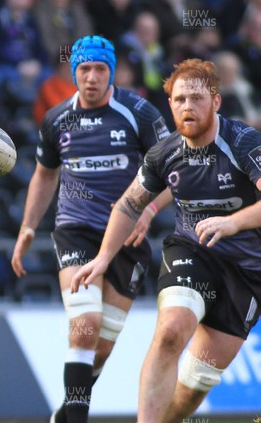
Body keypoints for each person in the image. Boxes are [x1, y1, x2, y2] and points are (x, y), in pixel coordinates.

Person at [71, 58, 261, 422]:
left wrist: (233, 223)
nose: (187, 106)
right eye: (179, 99)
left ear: (216, 102)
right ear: (170, 105)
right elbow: (128, 205)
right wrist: (103, 258)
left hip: (248, 270)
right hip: (193, 250)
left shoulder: (243, 143)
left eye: (196, 98)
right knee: (172, 331)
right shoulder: (163, 153)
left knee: (196, 383)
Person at [10, 35, 172, 423]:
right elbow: (45, 176)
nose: (92, 77)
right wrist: (28, 227)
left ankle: (66, 412)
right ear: (74, 72)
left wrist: (148, 209)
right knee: (85, 325)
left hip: (127, 237)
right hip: (75, 230)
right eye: (85, 69)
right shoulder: (56, 119)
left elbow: (173, 173)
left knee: (100, 348)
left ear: (111, 72)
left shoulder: (140, 113)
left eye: (101, 69)